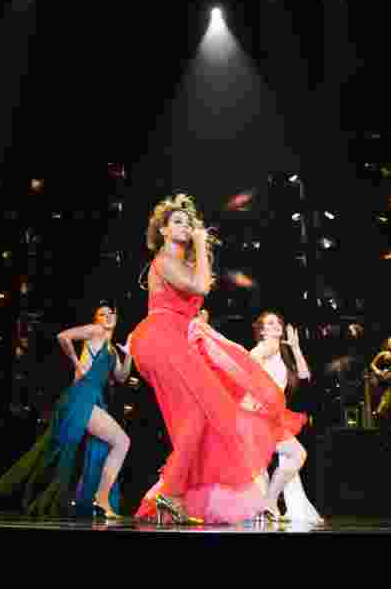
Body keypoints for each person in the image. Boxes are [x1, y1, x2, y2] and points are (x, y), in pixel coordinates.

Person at [129, 194, 305, 524]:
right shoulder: (165, 259)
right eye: (177, 222)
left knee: (202, 416)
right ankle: (170, 493)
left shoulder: (186, 261)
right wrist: (197, 242)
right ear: (164, 231)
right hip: (161, 336)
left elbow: (201, 284)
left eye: (188, 221)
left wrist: (199, 250)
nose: (185, 226)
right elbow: (200, 287)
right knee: (199, 413)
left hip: (179, 338)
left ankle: (172, 493)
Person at [0, 303, 133, 518]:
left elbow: (121, 376)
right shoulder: (95, 332)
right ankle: (100, 499)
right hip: (80, 398)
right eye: (101, 314)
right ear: (96, 321)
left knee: (88, 449)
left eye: (110, 313)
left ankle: (98, 499)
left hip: (91, 400)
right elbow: (63, 336)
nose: (107, 316)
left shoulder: (112, 349)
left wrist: (129, 354)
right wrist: (77, 363)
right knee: (119, 442)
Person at [250, 311, 322, 523]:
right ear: (262, 331)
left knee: (294, 456)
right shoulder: (267, 346)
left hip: (272, 415)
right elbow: (251, 358)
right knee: (296, 454)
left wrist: (296, 347)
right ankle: (268, 502)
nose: (276, 325)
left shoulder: (280, 350)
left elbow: (304, 375)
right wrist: (257, 391)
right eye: (270, 323)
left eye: (278, 322)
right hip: (261, 414)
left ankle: (268, 503)